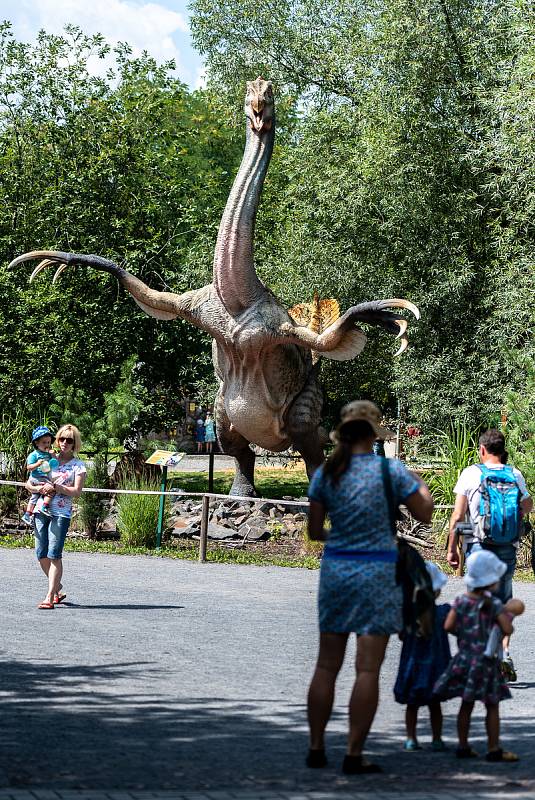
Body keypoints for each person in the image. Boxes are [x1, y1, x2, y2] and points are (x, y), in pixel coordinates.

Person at [305, 400, 434, 774]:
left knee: (326, 665)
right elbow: (424, 512)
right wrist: (416, 480)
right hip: (378, 574)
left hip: (337, 572)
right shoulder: (390, 471)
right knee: (367, 670)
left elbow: (315, 532)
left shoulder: (328, 473)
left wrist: (341, 536)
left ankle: (315, 747)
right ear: (375, 434)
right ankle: (353, 754)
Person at [447, 429, 532, 678]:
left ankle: (482, 656)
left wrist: (453, 547)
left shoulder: (471, 474)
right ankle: (504, 654)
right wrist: (510, 519)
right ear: (502, 449)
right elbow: (528, 504)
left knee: (480, 601)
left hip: (477, 547)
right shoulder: (513, 473)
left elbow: (458, 515)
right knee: (504, 603)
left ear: (482, 449)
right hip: (507, 548)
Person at [434, 550, 517, 762]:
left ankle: (463, 746)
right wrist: (507, 615)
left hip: (465, 659)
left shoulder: (461, 602)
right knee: (492, 705)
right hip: (487, 663)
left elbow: (448, 626)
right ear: (491, 582)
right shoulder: (494, 605)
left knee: (466, 704)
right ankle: (493, 748)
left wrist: (462, 633)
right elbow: (507, 629)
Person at [25, 424, 87, 609]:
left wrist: (58, 488)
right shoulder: (46, 457)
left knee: (54, 555)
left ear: (75, 443)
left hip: (60, 513)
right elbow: (29, 483)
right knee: (40, 554)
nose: (65, 443)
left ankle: (50, 596)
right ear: (56, 440)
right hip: (39, 510)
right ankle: (58, 587)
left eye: (70, 440)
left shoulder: (78, 465)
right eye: (62, 439)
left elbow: (76, 492)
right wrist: (39, 488)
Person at [394, 561, 451, 752]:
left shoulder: (408, 616)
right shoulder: (443, 613)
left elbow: (401, 635)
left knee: (412, 705)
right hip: (436, 669)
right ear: (436, 591)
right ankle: (437, 739)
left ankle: (411, 739)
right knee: (435, 706)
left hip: (413, 668)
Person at [21, 426, 59, 525]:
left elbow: (55, 463)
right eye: (44, 442)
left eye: (48, 442)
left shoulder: (48, 454)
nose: (47, 445)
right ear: (36, 443)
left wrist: (54, 455)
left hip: (44, 478)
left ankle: (28, 514)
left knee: (34, 497)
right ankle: (45, 507)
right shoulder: (34, 455)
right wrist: (38, 464)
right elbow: (29, 467)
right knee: (51, 491)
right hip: (37, 478)